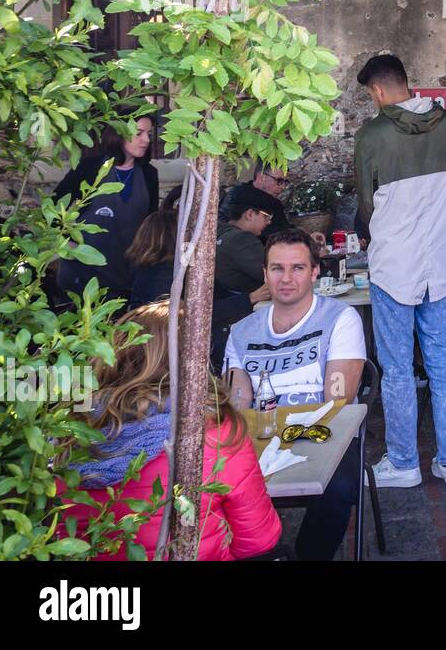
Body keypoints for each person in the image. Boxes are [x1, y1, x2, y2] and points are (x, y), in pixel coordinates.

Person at [354, 53, 446, 491]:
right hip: (440, 263)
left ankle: (404, 463)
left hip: (393, 266)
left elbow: (364, 202)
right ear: (404, 81)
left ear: (377, 91)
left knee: (396, 368)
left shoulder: (372, 135)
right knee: (441, 361)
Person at [65, 301, 282, 561]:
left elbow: (58, 537)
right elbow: (258, 539)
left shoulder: (68, 433)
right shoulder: (216, 433)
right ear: (192, 359)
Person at [223, 229, 366, 560]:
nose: (286, 278)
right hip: (261, 439)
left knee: (338, 488)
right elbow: (237, 404)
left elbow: (337, 401)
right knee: (217, 483)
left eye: (297, 268)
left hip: (324, 436)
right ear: (265, 273)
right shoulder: (242, 333)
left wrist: (281, 432)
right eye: (277, 268)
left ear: (315, 272)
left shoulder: (340, 319)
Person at [127, 187, 271, 371]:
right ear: (173, 237)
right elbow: (192, 314)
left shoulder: (163, 268)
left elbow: (213, 296)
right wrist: (250, 298)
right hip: (166, 356)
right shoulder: (163, 275)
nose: (192, 235)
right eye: (187, 231)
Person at [54, 114, 159, 302]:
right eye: (139, 133)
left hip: (126, 275)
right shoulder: (90, 168)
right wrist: (66, 242)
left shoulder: (149, 174)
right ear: (118, 133)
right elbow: (54, 205)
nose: (146, 140)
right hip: (83, 275)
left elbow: (151, 223)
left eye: (149, 134)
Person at [214, 190, 271, 295]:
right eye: (266, 217)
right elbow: (272, 275)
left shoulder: (219, 231)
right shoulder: (242, 239)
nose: (268, 222)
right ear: (249, 214)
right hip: (243, 304)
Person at [224, 165, 292, 242]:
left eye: (285, 182)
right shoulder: (236, 195)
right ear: (261, 177)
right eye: (279, 181)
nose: (283, 187)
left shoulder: (275, 203)